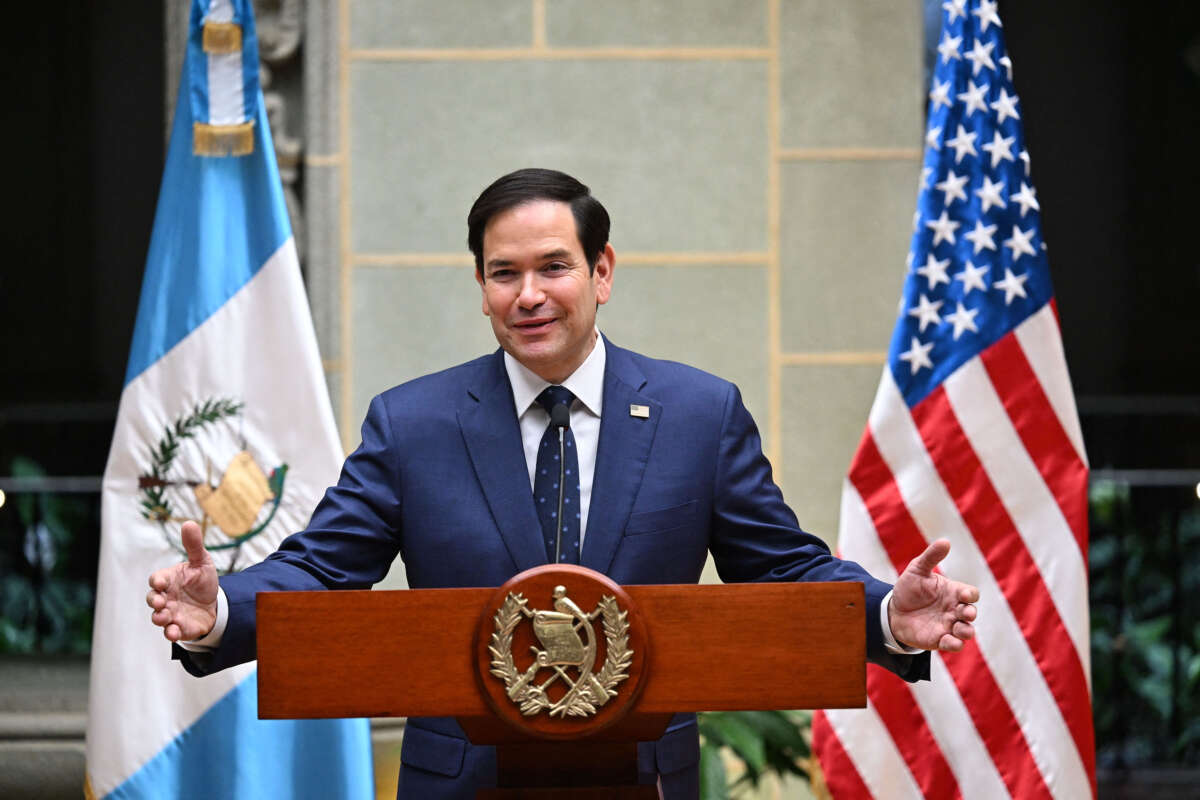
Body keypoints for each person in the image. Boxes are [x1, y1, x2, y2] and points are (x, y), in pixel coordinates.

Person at [147, 168, 979, 799]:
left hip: (643, 777)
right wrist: (219, 612)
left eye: (554, 266)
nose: (530, 295)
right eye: (504, 273)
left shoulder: (699, 412)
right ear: (481, 289)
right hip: (462, 781)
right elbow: (326, 570)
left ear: (602, 271)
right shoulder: (414, 423)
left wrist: (884, 615)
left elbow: (785, 569)